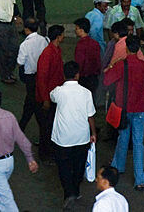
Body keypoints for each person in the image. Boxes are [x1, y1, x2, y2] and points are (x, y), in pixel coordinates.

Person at [0, 87, 40, 212]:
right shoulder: (9, 116)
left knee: (6, 201)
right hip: (9, 161)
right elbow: (21, 139)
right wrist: (30, 159)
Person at [105, 35, 144, 190]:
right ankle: (140, 178)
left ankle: (117, 167)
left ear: (126, 48)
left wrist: (111, 66)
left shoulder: (121, 65)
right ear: (138, 48)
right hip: (140, 108)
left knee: (123, 137)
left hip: (124, 109)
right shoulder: (143, 66)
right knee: (138, 143)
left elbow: (106, 81)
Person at [50, 60, 97, 207]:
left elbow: (52, 97)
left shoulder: (58, 91)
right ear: (77, 75)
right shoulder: (86, 93)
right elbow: (90, 116)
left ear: (64, 74)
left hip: (62, 139)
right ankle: (75, 191)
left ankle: (68, 193)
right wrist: (93, 133)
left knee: (63, 167)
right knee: (78, 166)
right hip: (81, 137)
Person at [36, 24, 66, 162]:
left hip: (54, 95)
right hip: (48, 96)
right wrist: (45, 99)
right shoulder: (48, 54)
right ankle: (44, 153)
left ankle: (49, 150)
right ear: (58, 37)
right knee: (46, 127)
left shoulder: (56, 50)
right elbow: (42, 78)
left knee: (51, 124)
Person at [17, 17, 48, 132]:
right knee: (32, 101)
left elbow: (20, 62)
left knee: (32, 103)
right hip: (41, 75)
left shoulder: (25, 44)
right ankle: (22, 127)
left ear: (26, 29)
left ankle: (22, 128)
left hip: (30, 76)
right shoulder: (44, 40)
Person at [74, 17, 102, 94]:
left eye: (76, 28)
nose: (75, 31)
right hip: (94, 77)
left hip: (84, 78)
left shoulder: (80, 45)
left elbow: (79, 62)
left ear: (81, 30)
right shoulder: (95, 43)